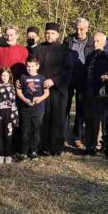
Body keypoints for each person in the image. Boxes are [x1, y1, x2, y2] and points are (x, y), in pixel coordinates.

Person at [34, 22, 72, 156]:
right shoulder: (39, 49)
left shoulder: (64, 50)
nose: (49, 36)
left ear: (58, 35)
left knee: (57, 119)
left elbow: (68, 71)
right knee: (43, 118)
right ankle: (43, 146)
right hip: (42, 89)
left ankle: (56, 148)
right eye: (47, 33)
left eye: (52, 33)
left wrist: (54, 81)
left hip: (58, 90)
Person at [64, 17, 95, 147]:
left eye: (82, 29)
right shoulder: (68, 40)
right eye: (77, 29)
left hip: (84, 78)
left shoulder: (92, 41)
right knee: (65, 106)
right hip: (69, 77)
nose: (79, 31)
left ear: (87, 29)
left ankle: (77, 136)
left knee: (81, 107)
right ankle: (63, 134)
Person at [81, 32, 108, 155]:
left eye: (98, 41)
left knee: (97, 119)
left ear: (104, 42)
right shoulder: (89, 56)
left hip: (99, 92)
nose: (95, 43)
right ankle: (89, 145)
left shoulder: (107, 57)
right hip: (88, 90)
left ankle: (98, 144)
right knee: (88, 118)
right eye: (94, 41)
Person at [16, 56, 50, 160]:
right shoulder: (22, 77)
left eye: (32, 66)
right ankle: (24, 152)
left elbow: (47, 92)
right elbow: (19, 91)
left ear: (37, 66)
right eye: (28, 66)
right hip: (25, 109)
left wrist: (40, 99)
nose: (30, 68)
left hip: (38, 110)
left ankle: (34, 151)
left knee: (36, 131)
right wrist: (25, 100)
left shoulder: (42, 78)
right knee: (25, 131)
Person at [0, 67, 18, 163]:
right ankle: (1, 154)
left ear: (9, 76)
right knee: (0, 134)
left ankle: (8, 154)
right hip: (0, 113)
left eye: (6, 75)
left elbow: (14, 102)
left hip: (9, 113)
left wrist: (15, 117)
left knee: (8, 134)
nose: (4, 77)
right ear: (0, 76)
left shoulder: (12, 87)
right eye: (3, 75)